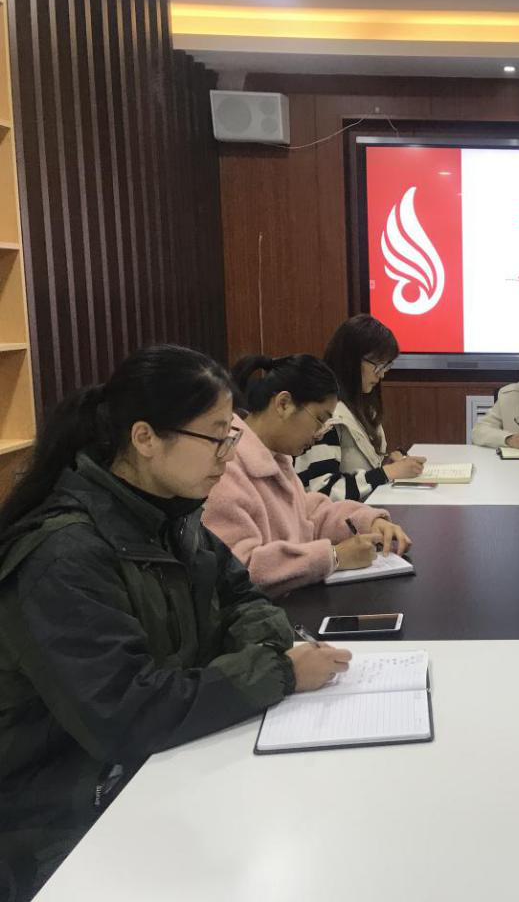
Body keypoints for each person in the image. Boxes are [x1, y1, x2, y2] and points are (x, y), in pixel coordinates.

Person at [0, 345, 350, 902]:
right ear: (145, 438)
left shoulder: (175, 515)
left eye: (230, 436)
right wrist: (280, 671)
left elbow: (242, 598)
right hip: (62, 816)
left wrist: (265, 652)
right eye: (216, 438)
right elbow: (126, 713)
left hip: (159, 765)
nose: (228, 456)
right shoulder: (63, 555)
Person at [203, 355, 410, 598]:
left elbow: (307, 512)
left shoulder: (275, 456)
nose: (319, 433)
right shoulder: (225, 467)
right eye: (320, 419)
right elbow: (240, 569)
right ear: (283, 404)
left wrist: (367, 521)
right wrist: (334, 557)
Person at [296, 314, 426, 502]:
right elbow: (323, 491)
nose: (381, 375)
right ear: (351, 360)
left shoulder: (362, 407)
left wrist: (386, 465)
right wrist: (386, 473)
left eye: (386, 366)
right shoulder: (325, 414)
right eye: (378, 365)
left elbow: (357, 470)